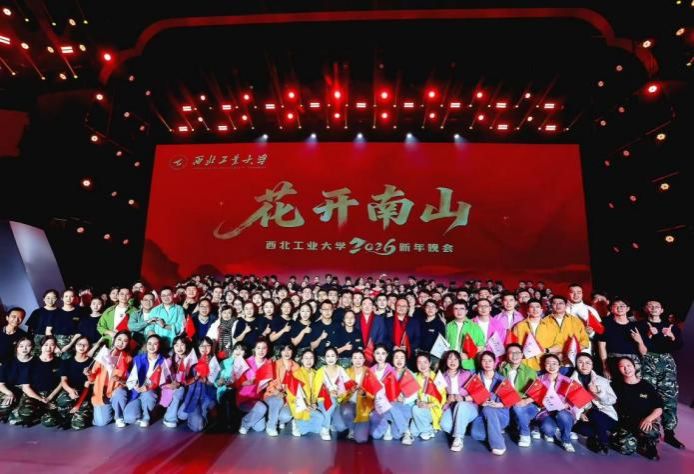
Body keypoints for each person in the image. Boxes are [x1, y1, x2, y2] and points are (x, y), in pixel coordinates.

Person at [637, 299, 684, 449]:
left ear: (662, 310)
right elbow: (641, 345)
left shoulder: (670, 326)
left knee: (669, 397)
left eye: (657, 306)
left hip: (666, 362)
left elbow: (678, 345)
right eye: (650, 306)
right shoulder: (639, 325)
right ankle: (646, 431)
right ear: (646, 309)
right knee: (646, 396)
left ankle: (669, 433)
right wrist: (649, 336)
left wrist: (671, 336)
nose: (654, 308)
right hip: (647, 360)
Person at [611, 357, 663, 460]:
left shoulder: (646, 386)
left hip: (644, 421)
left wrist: (649, 419)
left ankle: (648, 443)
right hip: (626, 423)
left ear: (634, 367)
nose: (626, 369)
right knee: (626, 450)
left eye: (629, 365)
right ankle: (634, 440)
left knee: (651, 431)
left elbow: (659, 407)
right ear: (618, 369)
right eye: (622, 366)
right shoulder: (616, 386)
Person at [8, 336, 62, 426]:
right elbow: (26, 388)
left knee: (50, 422)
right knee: (25, 414)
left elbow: (62, 382)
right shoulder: (31, 362)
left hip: (51, 394)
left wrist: (50, 397)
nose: (49, 348)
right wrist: (41, 400)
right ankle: (35, 410)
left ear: (55, 346)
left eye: (52, 345)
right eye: (46, 345)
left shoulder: (60, 362)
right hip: (34, 394)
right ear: (41, 346)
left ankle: (42, 412)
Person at [570, 353, 618, 454]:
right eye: (580, 362)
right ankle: (602, 436)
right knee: (580, 428)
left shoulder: (602, 380)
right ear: (576, 364)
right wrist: (579, 414)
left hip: (605, 415)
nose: (584, 365)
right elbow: (569, 404)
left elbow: (612, 400)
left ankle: (604, 442)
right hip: (585, 418)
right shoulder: (570, 382)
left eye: (588, 363)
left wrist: (598, 392)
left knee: (594, 413)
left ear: (592, 365)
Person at [370, 349, 416, 444]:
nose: (399, 360)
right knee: (390, 435)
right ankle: (402, 430)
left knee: (396, 434)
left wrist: (404, 399)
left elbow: (415, 395)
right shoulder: (388, 373)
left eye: (402, 358)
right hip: (390, 407)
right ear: (392, 359)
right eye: (396, 357)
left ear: (405, 360)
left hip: (405, 406)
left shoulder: (409, 373)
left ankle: (403, 431)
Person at [470, 351, 511, 455]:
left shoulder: (502, 379)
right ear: (480, 362)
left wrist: (499, 404)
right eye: (484, 360)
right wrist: (480, 402)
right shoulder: (476, 378)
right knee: (476, 434)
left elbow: (510, 400)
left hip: (500, 413)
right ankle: (495, 430)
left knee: (489, 408)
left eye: (490, 361)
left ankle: (498, 445)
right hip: (483, 415)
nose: (487, 363)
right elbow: (473, 397)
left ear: (494, 363)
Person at [498, 343, 538, 447]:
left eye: (517, 352)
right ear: (507, 355)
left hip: (526, 404)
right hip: (508, 403)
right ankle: (517, 424)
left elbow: (537, 393)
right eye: (511, 353)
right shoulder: (502, 369)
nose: (514, 355)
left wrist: (525, 401)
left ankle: (525, 434)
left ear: (522, 355)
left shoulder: (530, 371)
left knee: (518, 407)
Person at [124, 334, 168, 428]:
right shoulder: (137, 358)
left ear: (159, 345)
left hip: (151, 392)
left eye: (155, 344)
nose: (152, 346)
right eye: (149, 343)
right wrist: (134, 384)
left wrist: (148, 387)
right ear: (146, 345)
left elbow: (164, 381)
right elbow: (129, 375)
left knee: (148, 395)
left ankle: (146, 417)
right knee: (129, 418)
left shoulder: (164, 361)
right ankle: (143, 411)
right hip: (136, 393)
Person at [91, 330, 133, 427]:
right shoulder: (103, 354)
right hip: (101, 394)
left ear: (128, 343)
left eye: (125, 341)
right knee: (101, 423)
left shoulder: (128, 359)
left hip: (115, 392)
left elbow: (129, 382)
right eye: (119, 339)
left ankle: (119, 416)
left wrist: (119, 380)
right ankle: (110, 409)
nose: (121, 343)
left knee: (120, 392)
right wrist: (89, 374)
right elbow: (92, 378)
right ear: (114, 340)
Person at [534, 354, 576, 452]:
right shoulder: (539, 379)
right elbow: (534, 398)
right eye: (548, 363)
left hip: (563, 411)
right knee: (548, 430)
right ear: (544, 365)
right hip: (547, 412)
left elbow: (574, 399)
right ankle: (558, 429)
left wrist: (566, 405)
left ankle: (566, 441)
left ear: (559, 365)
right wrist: (541, 402)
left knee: (562, 415)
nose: (551, 366)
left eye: (554, 363)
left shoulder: (568, 380)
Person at [438, 351, 478, 452]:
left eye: (455, 359)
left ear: (459, 361)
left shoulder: (468, 374)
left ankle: (458, 438)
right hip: (452, 407)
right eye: (450, 359)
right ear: (446, 360)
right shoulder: (442, 377)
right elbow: (439, 396)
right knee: (444, 425)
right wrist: (447, 400)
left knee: (461, 405)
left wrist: (464, 398)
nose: (453, 361)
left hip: (469, 406)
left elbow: (478, 393)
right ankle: (462, 425)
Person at [536, 296, 589, 370]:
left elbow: (585, 341)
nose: (558, 305)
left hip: (572, 362)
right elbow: (540, 343)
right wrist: (555, 354)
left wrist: (569, 352)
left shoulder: (575, 321)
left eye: (561, 303)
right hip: (551, 363)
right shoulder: (543, 322)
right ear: (551, 305)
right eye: (555, 303)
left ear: (566, 305)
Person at [178, 337, 220, 432]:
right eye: (202, 346)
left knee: (198, 426)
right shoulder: (192, 359)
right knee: (181, 415)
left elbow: (213, 383)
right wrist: (196, 377)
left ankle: (203, 413)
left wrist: (206, 381)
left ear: (211, 347)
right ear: (198, 347)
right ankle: (195, 413)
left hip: (207, 396)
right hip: (193, 395)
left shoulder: (214, 361)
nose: (205, 348)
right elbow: (185, 380)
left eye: (208, 345)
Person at [597, 299, 645, 380]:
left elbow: (644, 352)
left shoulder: (636, 326)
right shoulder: (605, 325)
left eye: (622, 306)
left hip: (633, 360)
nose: (619, 308)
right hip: (613, 359)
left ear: (628, 308)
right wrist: (605, 366)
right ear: (611, 309)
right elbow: (601, 347)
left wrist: (640, 341)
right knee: (615, 384)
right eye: (616, 306)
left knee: (635, 384)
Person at [56, 335, 93, 430]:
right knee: (63, 400)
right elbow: (63, 381)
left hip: (86, 394)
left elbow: (90, 384)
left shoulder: (92, 363)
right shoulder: (66, 362)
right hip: (71, 391)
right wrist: (70, 390)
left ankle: (82, 414)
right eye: (79, 344)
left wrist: (78, 405)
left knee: (77, 425)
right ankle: (67, 415)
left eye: (85, 345)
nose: (82, 347)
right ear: (75, 345)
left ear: (89, 346)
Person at [237, 338, 273, 434]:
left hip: (258, 399)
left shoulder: (269, 364)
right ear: (254, 349)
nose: (261, 351)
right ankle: (244, 424)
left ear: (267, 349)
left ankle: (249, 417)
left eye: (264, 348)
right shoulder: (246, 362)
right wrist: (244, 383)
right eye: (258, 348)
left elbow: (270, 384)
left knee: (260, 428)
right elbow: (235, 381)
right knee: (261, 408)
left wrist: (268, 385)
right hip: (245, 398)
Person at [288, 349, 326, 438]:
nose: (309, 361)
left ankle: (303, 424)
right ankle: (296, 422)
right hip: (299, 406)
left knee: (318, 427)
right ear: (302, 360)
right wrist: (304, 405)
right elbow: (292, 395)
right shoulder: (296, 374)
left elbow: (319, 392)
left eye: (311, 358)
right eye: (306, 358)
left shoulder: (316, 373)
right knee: (304, 431)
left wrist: (315, 403)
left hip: (311, 405)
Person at [263, 343, 299, 436]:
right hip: (272, 395)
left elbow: (296, 387)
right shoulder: (274, 364)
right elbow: (269, 382)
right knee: (278, 400)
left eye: (289, 350)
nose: (286, 352)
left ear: (292, 351)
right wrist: (276, 391)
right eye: (284, 350)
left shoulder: (296, 366)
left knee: (286, 415)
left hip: (287, 398)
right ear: (280, 352)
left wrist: (286, 395)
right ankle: (271, 426)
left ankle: (280, 421)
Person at [313, 347, 348, 439]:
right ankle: (325, 428)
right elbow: (316, 390)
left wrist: (340, 393)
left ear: (337, 357)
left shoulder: (341, 369)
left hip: (338, 400)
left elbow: (347, 386)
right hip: (323, 400)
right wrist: (328, 393)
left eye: (333, 356)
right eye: (328, 356)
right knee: (331, 401)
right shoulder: (320, 371)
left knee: (341, 427)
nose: (330, 358)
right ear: (324, 358)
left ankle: (330, 421)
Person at [410, 352, 445, 442]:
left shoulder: (437, 377)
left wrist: (428, 405)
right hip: (421, 408)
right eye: (419, 362)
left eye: (425, 362)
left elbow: (442, 398)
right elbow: (413, 395)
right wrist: (417, 401)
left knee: (415, 409)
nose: (422, 365)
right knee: (413, 432)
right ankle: (429, 428)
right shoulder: (416, 377)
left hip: (433, 410)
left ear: (430, 363)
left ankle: (428, 430)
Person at [162, 336, 194, 428]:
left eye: (182, 345)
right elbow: (162, 380)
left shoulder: (192, 359)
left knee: (183, 415)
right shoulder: (169, 360)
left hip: (188, 390)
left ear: (186, 345)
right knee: (180, 390)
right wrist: (169, 385)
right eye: (176, 345)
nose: (179, 348)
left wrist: (181, 383)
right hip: (173, 389)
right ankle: (169, 418)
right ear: (173, 347)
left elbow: (194, 378)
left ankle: (175, 412)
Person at [0, 336, 34, 421]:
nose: (24, 348)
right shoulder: (8, 362)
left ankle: (17, 410)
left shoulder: (36, 362)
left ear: (32, 347)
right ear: (17, 348)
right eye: (21, 346)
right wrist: (9, 393)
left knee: (25, 414)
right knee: (3, 408)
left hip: (28, 392)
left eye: (28, 346)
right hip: (11, 390)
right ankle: (10, 410)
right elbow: (1, 384)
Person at [445, 300, 484, 371]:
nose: (459, 311)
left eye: (462, 309)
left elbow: (481, 346)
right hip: (451, 364)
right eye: (456, 309)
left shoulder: (475, 327)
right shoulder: (448, 326)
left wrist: (468, 355)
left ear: (466, 311)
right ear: (453, 311)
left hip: (468, 364)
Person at [48, 289, 81, 360]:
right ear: (62, 298)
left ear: (74, 298)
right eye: (66, 296)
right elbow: (48, 331)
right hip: (57, 343)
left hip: (74, 342)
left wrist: (70, 345)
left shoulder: (79, 312)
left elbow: (80, 331)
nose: (68, 298)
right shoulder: (55, 312)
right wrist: (54, 346)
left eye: (71, 296)